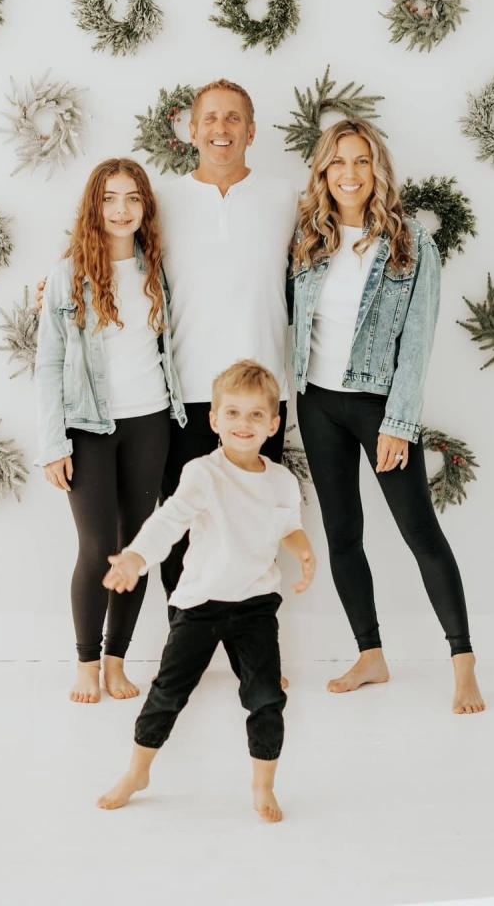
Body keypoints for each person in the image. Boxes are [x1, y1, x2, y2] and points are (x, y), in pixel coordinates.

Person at [291, 119, 485, 714]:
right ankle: (370, 654)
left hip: (378, 407)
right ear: (323, 172)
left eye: (361, 161)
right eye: (338, 162)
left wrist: (399, 422)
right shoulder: (308, 237)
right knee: (343, 534)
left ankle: (464, 662)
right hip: (316, 402)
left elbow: (417, 342)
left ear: (378, 170)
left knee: (419, 531)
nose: (350, 174)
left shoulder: (410, 242)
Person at [96, 361, 316, 822]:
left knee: (266, 698)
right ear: (214, 420)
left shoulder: (281, 480)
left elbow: (287, 526)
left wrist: (303, 550)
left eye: (256, 415)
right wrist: (136, 556)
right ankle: (137, 772)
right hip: (199, 604)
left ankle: (263, 785)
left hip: (256, 606)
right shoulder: (202, 473)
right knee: (167, 694)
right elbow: (169, 520)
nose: (243, 423)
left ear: (273, 424)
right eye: (232, 413)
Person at [35, 158, 185, 705]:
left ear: (145, 207)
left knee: (134, 546)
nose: (121, 210)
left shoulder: (157, 270)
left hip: (151, 420)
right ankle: (87, 663)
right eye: (110, 198)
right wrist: (53, 444)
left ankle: (117, 660)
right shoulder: (67, 274)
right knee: (97, 546)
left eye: (132, 198)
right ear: (93, 207)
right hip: (88, 426)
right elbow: (48, 363)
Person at [154, 80, 299, 604]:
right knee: (180, 529)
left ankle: (251, 642)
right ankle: (183, 637)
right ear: (192, 131)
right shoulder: (162, 200)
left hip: (261, 395)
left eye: (234, 118)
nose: (222, 128)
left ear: (251, 132)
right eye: (211, 118)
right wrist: (59, 284)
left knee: (256, 532)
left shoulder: (286, 198)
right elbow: (109, 245)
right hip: (187, 393)